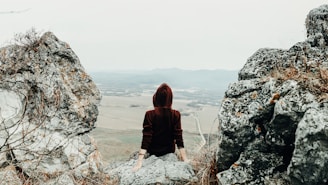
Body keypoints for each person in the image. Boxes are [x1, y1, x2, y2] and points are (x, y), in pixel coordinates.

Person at [132, 83, 188, 171]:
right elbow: (179, 137)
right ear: (170, 99)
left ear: (157, 97)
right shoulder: (176, 115)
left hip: (153, 151)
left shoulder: (149, 114)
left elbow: (146, 137)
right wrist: (185, 159)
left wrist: (139, 162)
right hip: (169, 151)